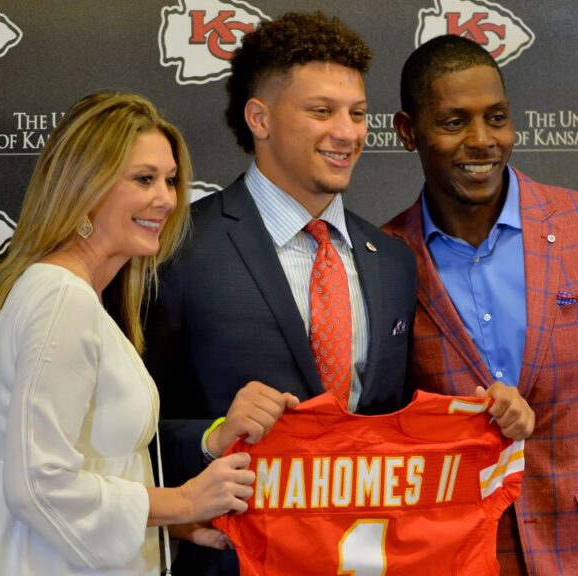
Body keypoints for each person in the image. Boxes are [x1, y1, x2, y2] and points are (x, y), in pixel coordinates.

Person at [383, 35, 578, 575]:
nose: (483, 140)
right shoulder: (385, 260)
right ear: (407, 132)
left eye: (497, 117)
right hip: (458, 558)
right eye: (454, 121)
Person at [142, 12, 419, 576]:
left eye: (358, 113)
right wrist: (213, 435)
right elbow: (123, 435)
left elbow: (399, 423)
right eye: (322, 111)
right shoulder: (175, 249)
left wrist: (484, 417)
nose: (348, 132)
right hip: (231, 559)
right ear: (259, 118)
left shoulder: (392, 260)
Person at [0, 92, 256, 575]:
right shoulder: (62, 298)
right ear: (84, 187)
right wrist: (183, 501)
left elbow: (89, 475)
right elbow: (37, 485)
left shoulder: (69, 295)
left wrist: (166, 522)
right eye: (144, 179)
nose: (166, 198)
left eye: (170, 180)